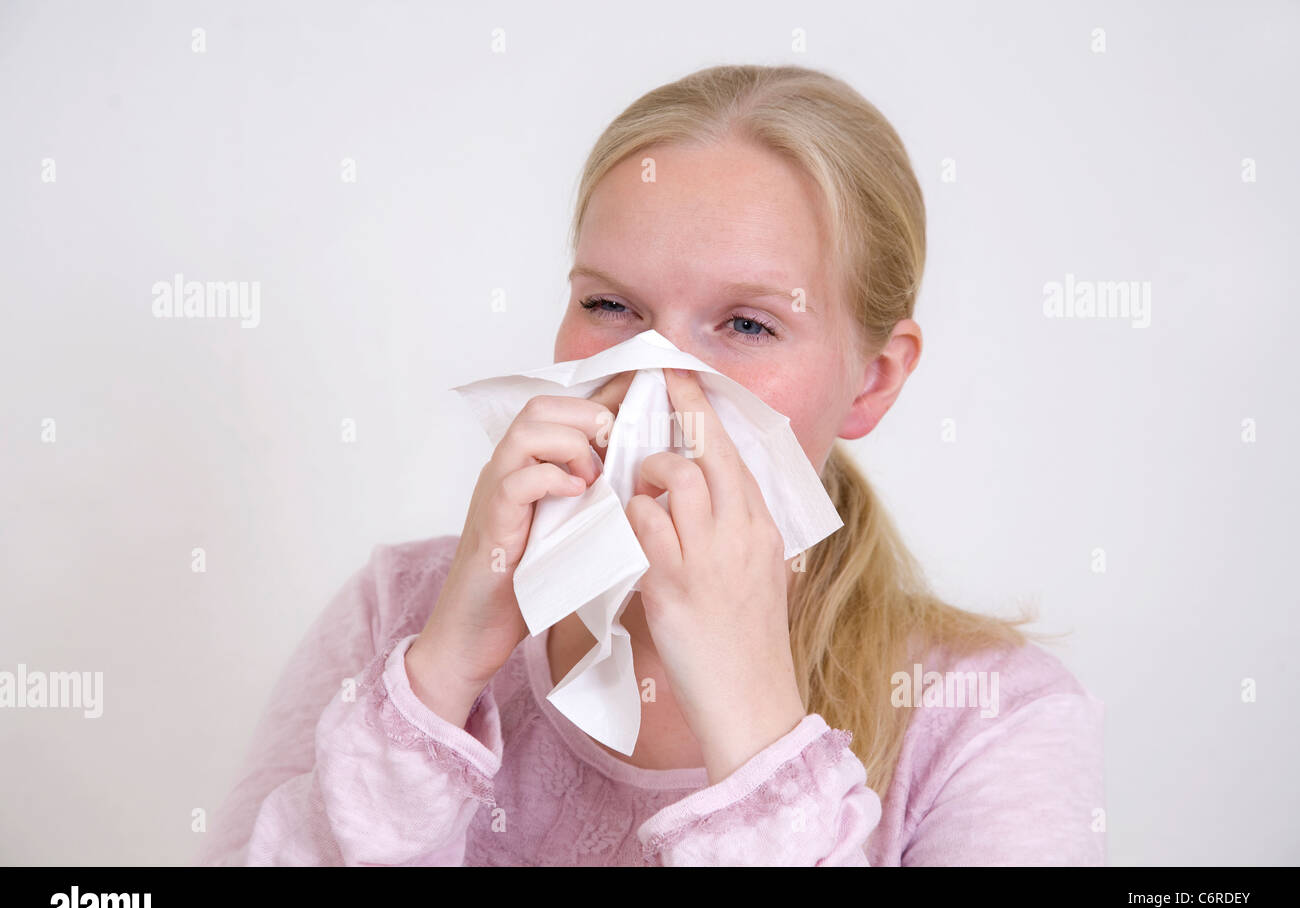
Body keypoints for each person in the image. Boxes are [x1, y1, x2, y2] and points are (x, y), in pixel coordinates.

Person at [198, 64, 1105, 866]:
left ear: (872, 381)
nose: (653, 376)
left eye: (748, 324)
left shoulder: (987, 721)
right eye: (611, 305)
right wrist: (438, 680)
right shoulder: (395, 617)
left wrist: (754, 729)